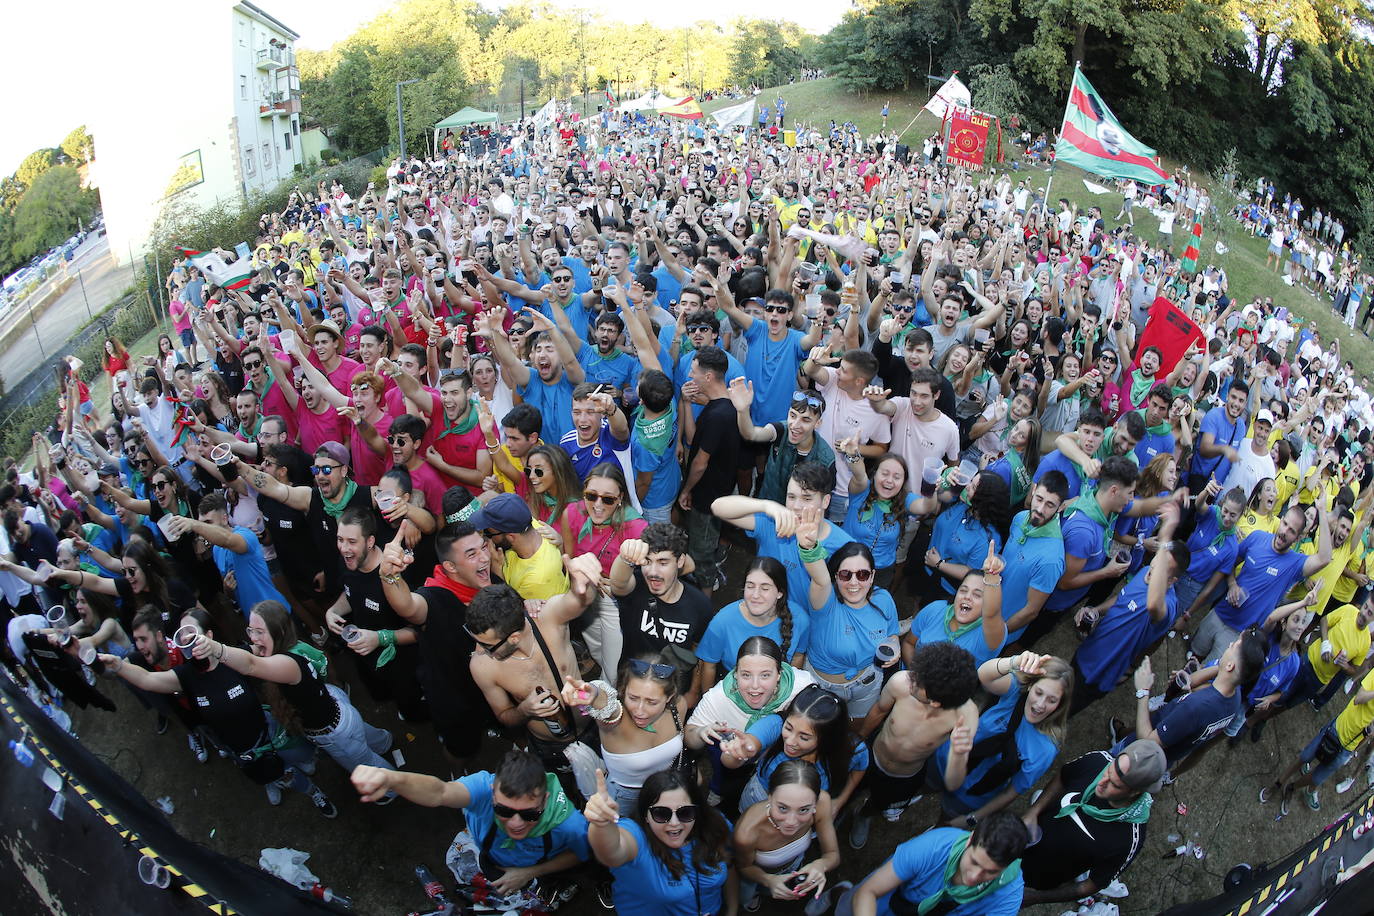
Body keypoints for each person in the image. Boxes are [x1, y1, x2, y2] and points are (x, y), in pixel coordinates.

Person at [99, 608, 335, 816]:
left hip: (270, 732)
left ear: (209, 635)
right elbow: (148, 679)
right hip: (241, 749)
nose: (187, 639)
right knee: (279, 775)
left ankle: (304, 779)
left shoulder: (234, 658)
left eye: (192, 632)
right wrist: (119, 666)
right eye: (182, 634)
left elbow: (269, 650)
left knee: (305, 757)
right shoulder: (186, 675)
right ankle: (307, 789)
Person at [351, 748, 590, 912]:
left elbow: (580, 854)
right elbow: (440, 792)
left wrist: (528, 873)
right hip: (491, 857)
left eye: (530, 814)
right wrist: (391, 779)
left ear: (545, 799)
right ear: (492, 792)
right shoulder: (481, 788)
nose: (516, 823)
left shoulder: (569, 824)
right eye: (504, 811)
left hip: (537, 867)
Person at [190, 600, 396, 784]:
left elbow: (250, 665)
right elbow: (247, 652)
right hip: (340, 710)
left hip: (335, 733)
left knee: (365, 766)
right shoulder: (291, 646)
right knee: (364, 735)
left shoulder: (288, 664)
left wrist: (215, 648)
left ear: (277, 632)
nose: (253, 638)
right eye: (250, 630)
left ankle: (391, 790)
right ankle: (385, 742)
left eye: (260, 632)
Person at [465, 558, 602, 797]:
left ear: (514, 638)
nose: (480, 650)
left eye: (488, 646)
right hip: (547, 746)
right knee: (561, 796)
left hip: (591, 727)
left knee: (601, 788)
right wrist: (525, 710)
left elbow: (579, 600)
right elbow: (504, 715)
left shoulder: (548, 619)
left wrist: (583, 582)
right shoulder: (482, 666)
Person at [849, 642, 981, 849]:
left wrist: (959, 754)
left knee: (879, 801)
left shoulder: (965, 716)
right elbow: (879, 711)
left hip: (903, 777)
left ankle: (864, 815)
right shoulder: (901, 682)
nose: (911, 679)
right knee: (850, 789)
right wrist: (857, 742)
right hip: (871, 756)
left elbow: (954, 783)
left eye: (917, 682)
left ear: (935, 701)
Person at [1018, 740, 1168, 906]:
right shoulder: (1097, 761)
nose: (1102, 782)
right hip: (1021, 838)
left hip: (1038, 875)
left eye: (1114, 784)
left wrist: (1036, 898)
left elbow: (1092, 885)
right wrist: (1034, 811)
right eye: (1108, 772)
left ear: (1135, 792)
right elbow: (1063, 777)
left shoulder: (1128, 840)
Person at [934, 652, 1070, 828]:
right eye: (1038, 692)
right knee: (923, 784)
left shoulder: (1045, 749)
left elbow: (1011, 792)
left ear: (1060, 705)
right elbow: (984, 675)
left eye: (1052, 700)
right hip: (944, 758)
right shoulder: (1014, 693)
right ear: (1030, 686)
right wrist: (1014, 661)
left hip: (968, 794)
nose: (1040, 705)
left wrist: (973, 818)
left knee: (943, 823)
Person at [584, 767, 736, 915]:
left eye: (685, 812)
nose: (674, 823)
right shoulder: (637, 836)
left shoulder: (713, 826)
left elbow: (729, 864)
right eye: (661, 814)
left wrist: (731, 910)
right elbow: (611, 851)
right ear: (645, 816)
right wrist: (601, 824)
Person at [1191, 501, 1332, 660]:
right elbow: (1230, 562)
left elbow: (1325, 558)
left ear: (1298, 537)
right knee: (1193, 653)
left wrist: (1321, 510)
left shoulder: (1295, 563)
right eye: (1284, 524)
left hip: (1240, 635)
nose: (1285, 531)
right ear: (1282, 520)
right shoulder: (1257, 537)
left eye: (1291, 531)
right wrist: (1232, 584)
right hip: (1220, 613)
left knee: (1208, 676)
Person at [561, 652, 688, 812]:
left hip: (665, 790)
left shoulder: (679, 707)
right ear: (623, 689)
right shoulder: (616, 723)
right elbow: (606, 705)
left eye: (652, 702)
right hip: (624, 800)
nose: (640, 711)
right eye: (633, 698)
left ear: (669, 697)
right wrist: (592, 692)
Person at [836, 811, 1027, 916]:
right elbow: (868, 892)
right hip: (890, 901)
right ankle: (838, 894)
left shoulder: (1009, 892)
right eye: (974, 862)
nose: (973, 877)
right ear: (969, 841)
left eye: (990, 872)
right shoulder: (933, 846)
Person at [724, 682, 869, 815]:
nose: (790, 741)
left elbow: (860, 767)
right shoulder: (775, 725)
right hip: (760, 797)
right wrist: (738, 753)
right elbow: (732, 758)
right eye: (788, 727)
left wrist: (839, 802)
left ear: (827, 737)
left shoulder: (851, 748)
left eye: (804, 737)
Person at [608, 523, 712, 700]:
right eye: (647, 562)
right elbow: (618, 584)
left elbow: (700, 651)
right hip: (632, 684)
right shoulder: (637, 589)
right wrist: (625, 557)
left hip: (672, 690)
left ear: (680, 562)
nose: (653, 572)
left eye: (663, 563)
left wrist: (693, 691)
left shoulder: (699, 605)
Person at [564, 463, 647, 681]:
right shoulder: (572, 513)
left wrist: (616, 583)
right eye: (591, 496)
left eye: (608, 499)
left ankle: (609, 704)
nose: (598, 505)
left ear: (620, 498)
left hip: (615, 603)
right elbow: (570, 556)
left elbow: (652, 573)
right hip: (584, 595)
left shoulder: (636, 528)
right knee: (596, 650)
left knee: (612, 669)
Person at [732, 760, 842, 913]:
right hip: (755, 876)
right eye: (783, 808)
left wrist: (821, 864)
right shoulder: (748, 832)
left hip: (794, 866)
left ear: (815, 803)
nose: (791, 822)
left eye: (803, 810)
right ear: (769, 798)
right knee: (745, 896)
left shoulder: (823, 802)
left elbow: (833, 855)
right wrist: (768, 880)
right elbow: (744, 867)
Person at [696, 557, 809, 685]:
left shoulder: (800, 619)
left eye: (765, 588)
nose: (755, 595)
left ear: (780, 593)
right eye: (750, 586)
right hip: (733, 688)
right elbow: (709, 665)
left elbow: (798, 656)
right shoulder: (722, 622)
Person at [906, 541, 1007, 667]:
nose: (967, 597)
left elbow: (992, 614)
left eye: (977, 594)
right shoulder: (935, 609)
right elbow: (909, 643)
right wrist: (914, 679)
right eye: (963, 590)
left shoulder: (986, 637)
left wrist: (992, 578)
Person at [469, 493, 570, 601]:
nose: (486, 538)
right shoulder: (525, 524)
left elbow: (514, 611)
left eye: (489, 533)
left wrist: (497, 572)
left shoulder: (537, 579)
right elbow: (491, 495)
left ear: (511, 537)